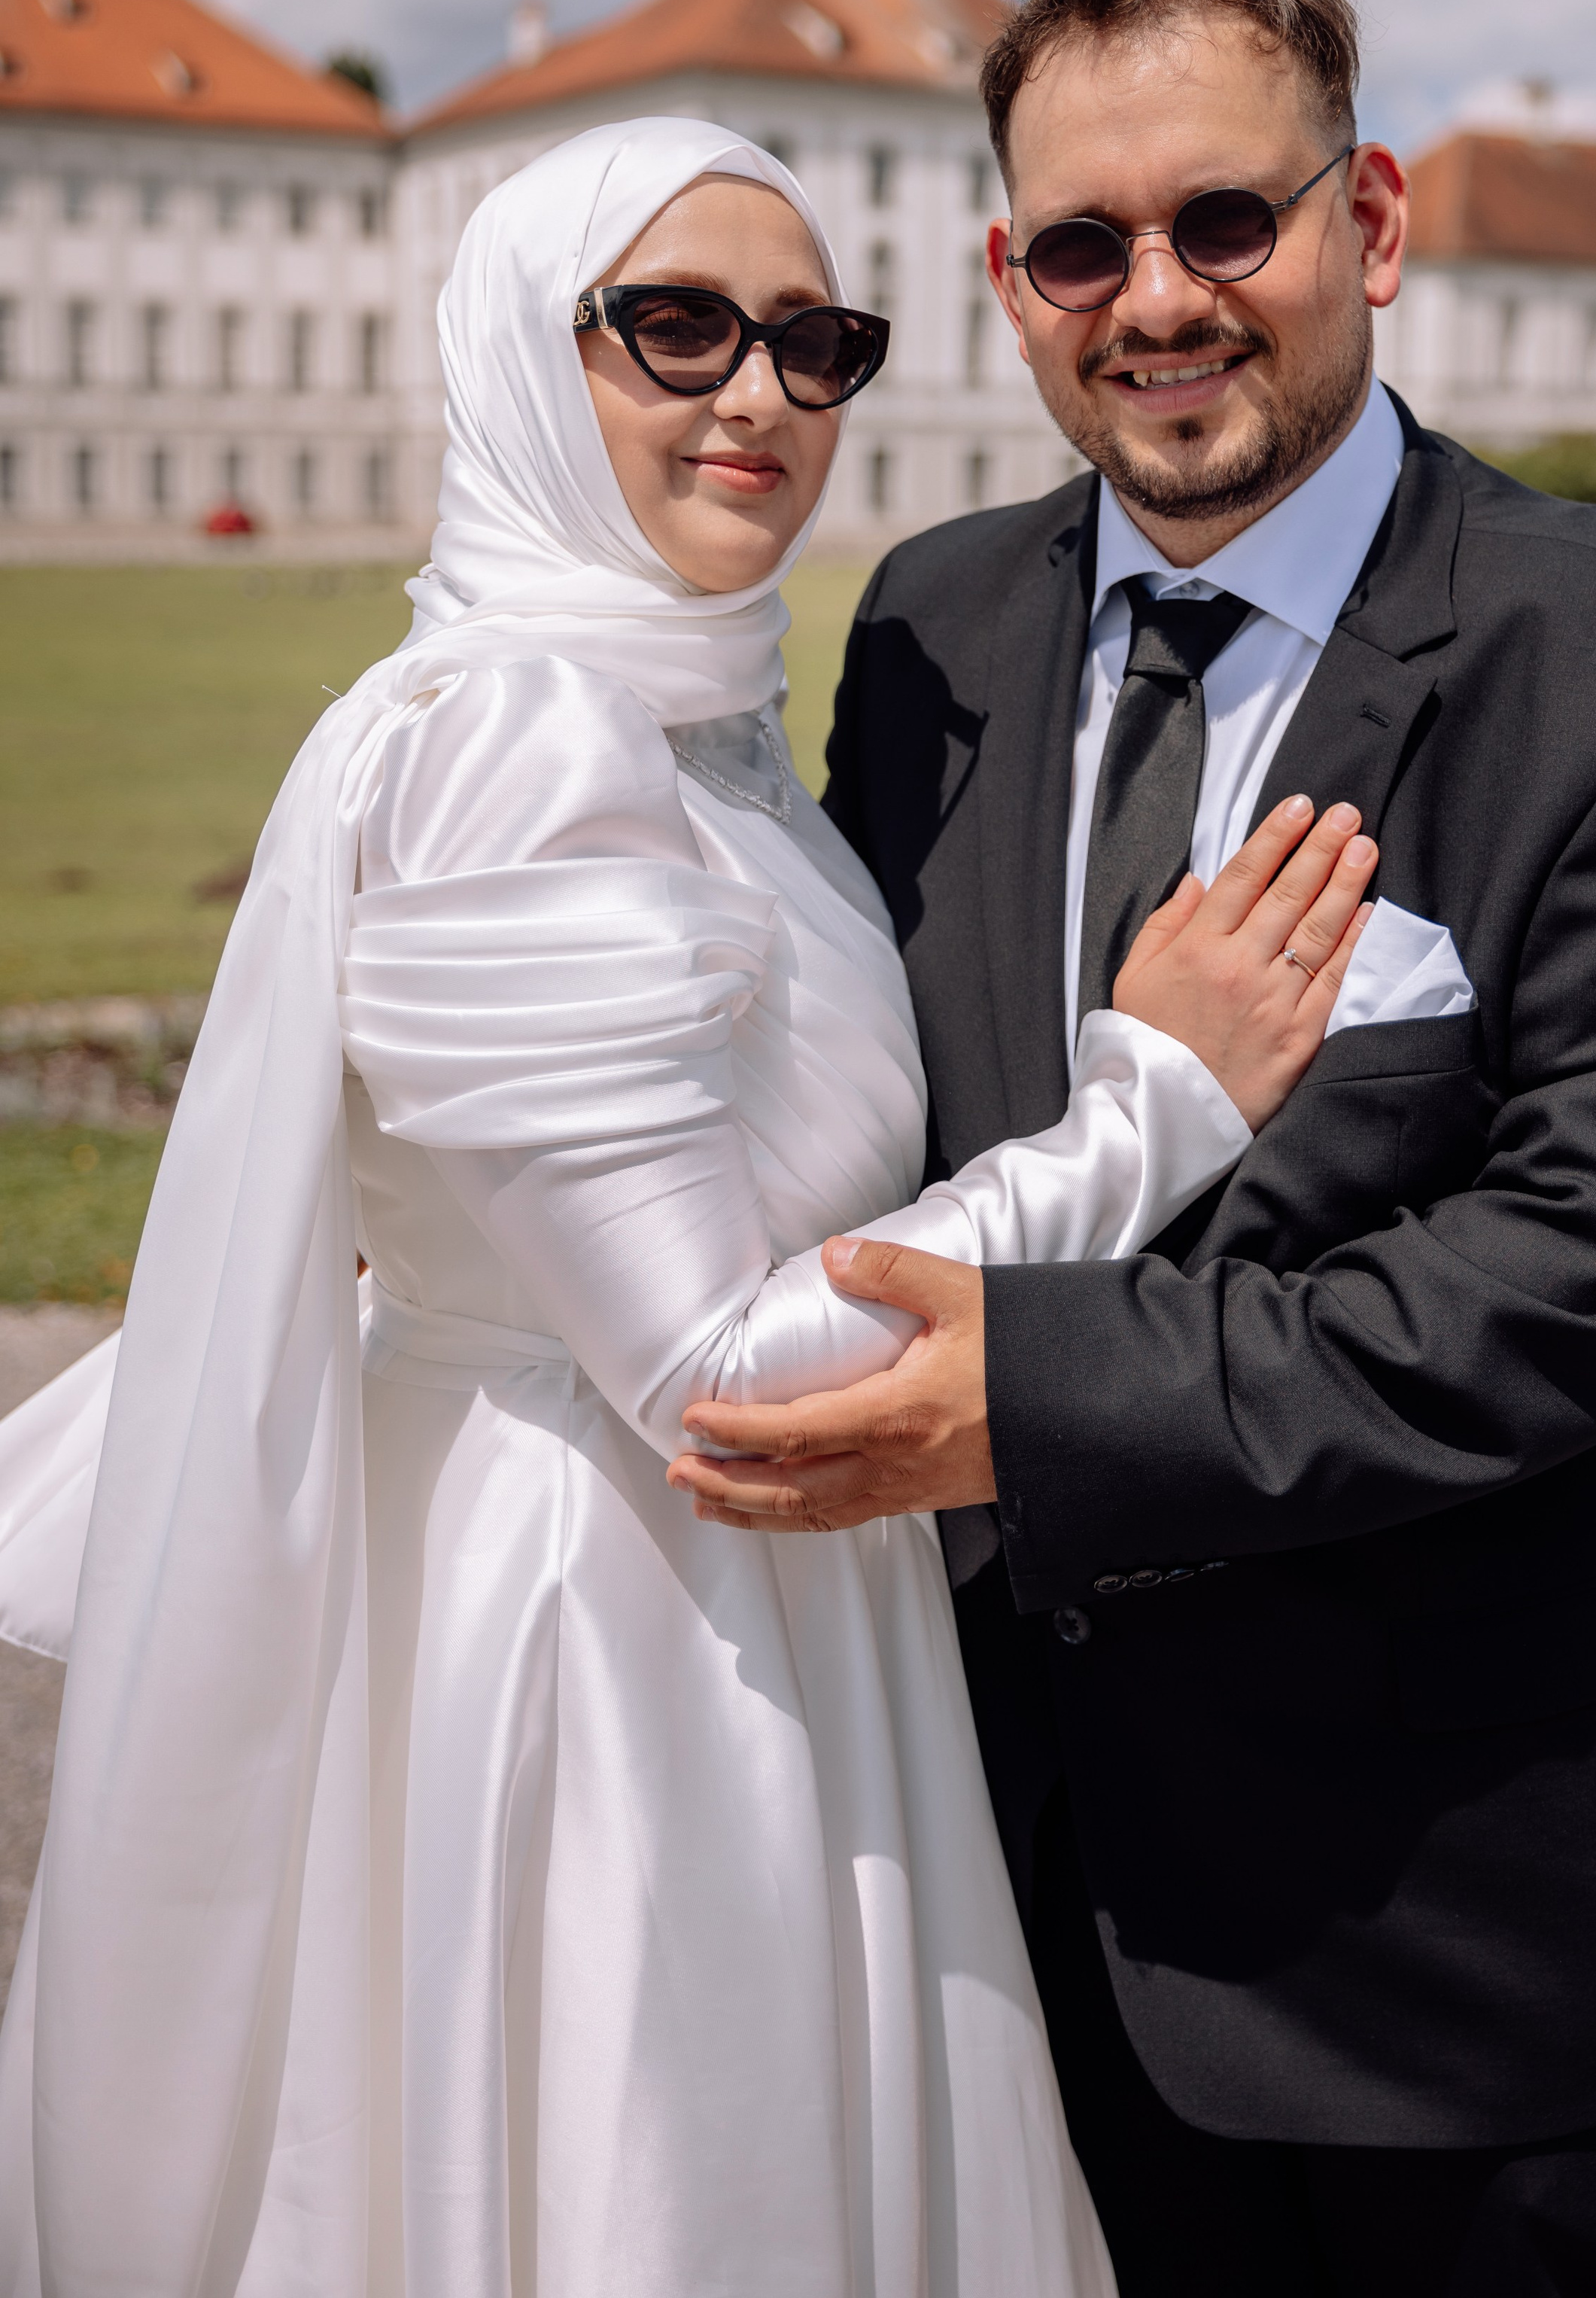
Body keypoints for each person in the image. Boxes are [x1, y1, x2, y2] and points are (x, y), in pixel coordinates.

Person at [0, 118, 1380, 2293]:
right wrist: (1162, 1095)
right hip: (621, 1625)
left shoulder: (688, 714)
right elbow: (714, 1379)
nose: (759, 395)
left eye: (815, 341)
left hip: (726, 1593)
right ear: (526, 359)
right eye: (677, 328)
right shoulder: (521, 738)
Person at [668, 0, 1596, 2297]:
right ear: (1010, 281)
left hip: (1493, 1955)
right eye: (1085, 248)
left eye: (1232, 221)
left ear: (1371, 224)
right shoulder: (928, 632)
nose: (1162, 300)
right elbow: (874, 1109)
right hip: (1026, 1910)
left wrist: (1030, 1398)